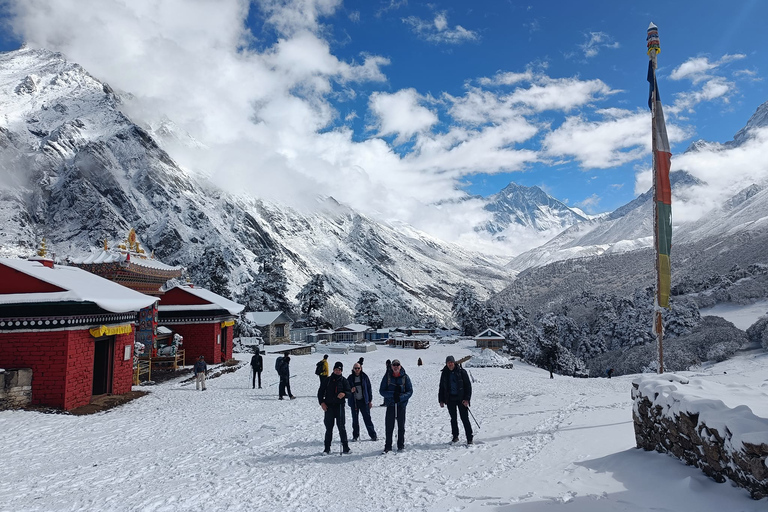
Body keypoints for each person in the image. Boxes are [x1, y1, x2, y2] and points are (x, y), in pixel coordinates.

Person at [379, 359, 413, 453]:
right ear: (391, 366)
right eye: (394, 365)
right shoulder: (387, 377)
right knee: (389, 426)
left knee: (401, 426)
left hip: (401, 405)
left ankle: (400, 445)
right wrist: (392, 394)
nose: (396, 366)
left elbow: (410, 391)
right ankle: (388, 446)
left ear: (400, 366)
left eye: (397, 365)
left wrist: (401, 397)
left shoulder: (405, 377)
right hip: (391, 404)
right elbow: (382, 391)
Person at [318, 361, 352, 454]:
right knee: (329, 428)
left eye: (339, 370)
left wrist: (344, 394)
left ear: (341, 371)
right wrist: (322, 403)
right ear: (333, 370)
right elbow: (320, 392)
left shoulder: (344, 380)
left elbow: (349, 392)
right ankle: (327, 448)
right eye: (336, 369)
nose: (337, 371)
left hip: (340, 406)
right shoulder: (328, 380)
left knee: (342, 427)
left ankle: (345, 447)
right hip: (329, 407)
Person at [438, 355, 473, 445]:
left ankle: (469, 438)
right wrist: (441, 400)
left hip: (461, 399)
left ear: (454, 363)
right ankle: (455, 436)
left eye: (451, 362)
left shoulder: (461, 372)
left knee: (465, 419)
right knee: (453, 419)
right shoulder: (444, 373)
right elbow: (441, 387)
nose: (450, 364)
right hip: (450, 399)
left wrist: (467, 399)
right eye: (448, 363)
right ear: (446, 364)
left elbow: (468, 386)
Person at [347, 362, 377, 442]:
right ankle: (355, 436)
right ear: (353, 369)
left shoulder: (364, 377)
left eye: (358, 368)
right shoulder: (350, 378)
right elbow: (346, 389)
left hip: (364, 401)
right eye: (355, 368)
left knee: (367, 419)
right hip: (354, 402)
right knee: (355, 420)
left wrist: (370, 400)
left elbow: (369, 389)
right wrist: (350, 390)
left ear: (361, 368)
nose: (357, 370)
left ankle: (373, 435)